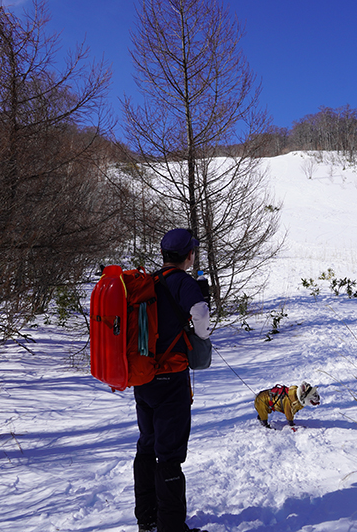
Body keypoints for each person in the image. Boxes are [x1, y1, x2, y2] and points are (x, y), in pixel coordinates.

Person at [133, 228, 211, 532]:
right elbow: (201, 316)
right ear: (189, 255)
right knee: (169, 455)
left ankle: (147, 519)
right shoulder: (183, 282)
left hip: (144, 377)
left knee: (147, 446)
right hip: (172, 378)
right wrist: (200, 333)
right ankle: (172, 528)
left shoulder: (149, 282)